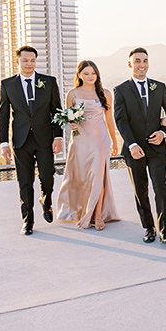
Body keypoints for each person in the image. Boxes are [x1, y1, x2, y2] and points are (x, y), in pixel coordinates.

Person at [113, 47, 166, 244]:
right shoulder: (121, 90)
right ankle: (148, 227)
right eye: (138, 61)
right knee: (140, 190)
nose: (142, 65)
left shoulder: (159, 87)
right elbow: (121, 120)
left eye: (145, 61)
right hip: (134, 150)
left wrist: (163, 133)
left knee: (160, 187)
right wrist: (131, 144)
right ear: (130, 64)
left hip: (157, 148)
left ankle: (164, 230)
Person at [0, 45, 64, 235]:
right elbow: (3, 116)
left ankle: (46, 200)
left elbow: (56, 111)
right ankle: (28, 221)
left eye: (33, 60)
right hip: (20, 141)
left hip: (45, 139)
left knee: (47, 177)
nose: (29, 63)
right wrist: (3, 144)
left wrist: (58, 136)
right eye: (25, 60)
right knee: (24, 182)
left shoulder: (49, 82)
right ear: (18, 61)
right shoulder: (7, 84)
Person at [55, 60, 120, 230]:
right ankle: (82, 210)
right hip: (79, 140)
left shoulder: (105, 93)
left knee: (98, 176)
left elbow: (109, 119)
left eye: (93, 73)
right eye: (86, 73)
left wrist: (114, 140)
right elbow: (67, 117)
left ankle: (97, 214)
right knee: (82, 177)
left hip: (100, 140)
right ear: (79, 75)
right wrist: (72, 124)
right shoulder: (72, 93)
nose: (90, 76)